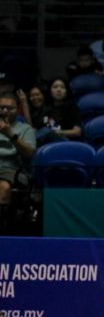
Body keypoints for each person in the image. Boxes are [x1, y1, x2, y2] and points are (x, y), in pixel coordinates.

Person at [0, 91, 36, 234]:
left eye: (10, 108)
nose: (5, 111)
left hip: (13, 170)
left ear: (17, 109)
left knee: (3, 187)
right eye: (1, 107)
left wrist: (10, 134)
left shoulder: (25, 129)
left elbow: (29, 153)